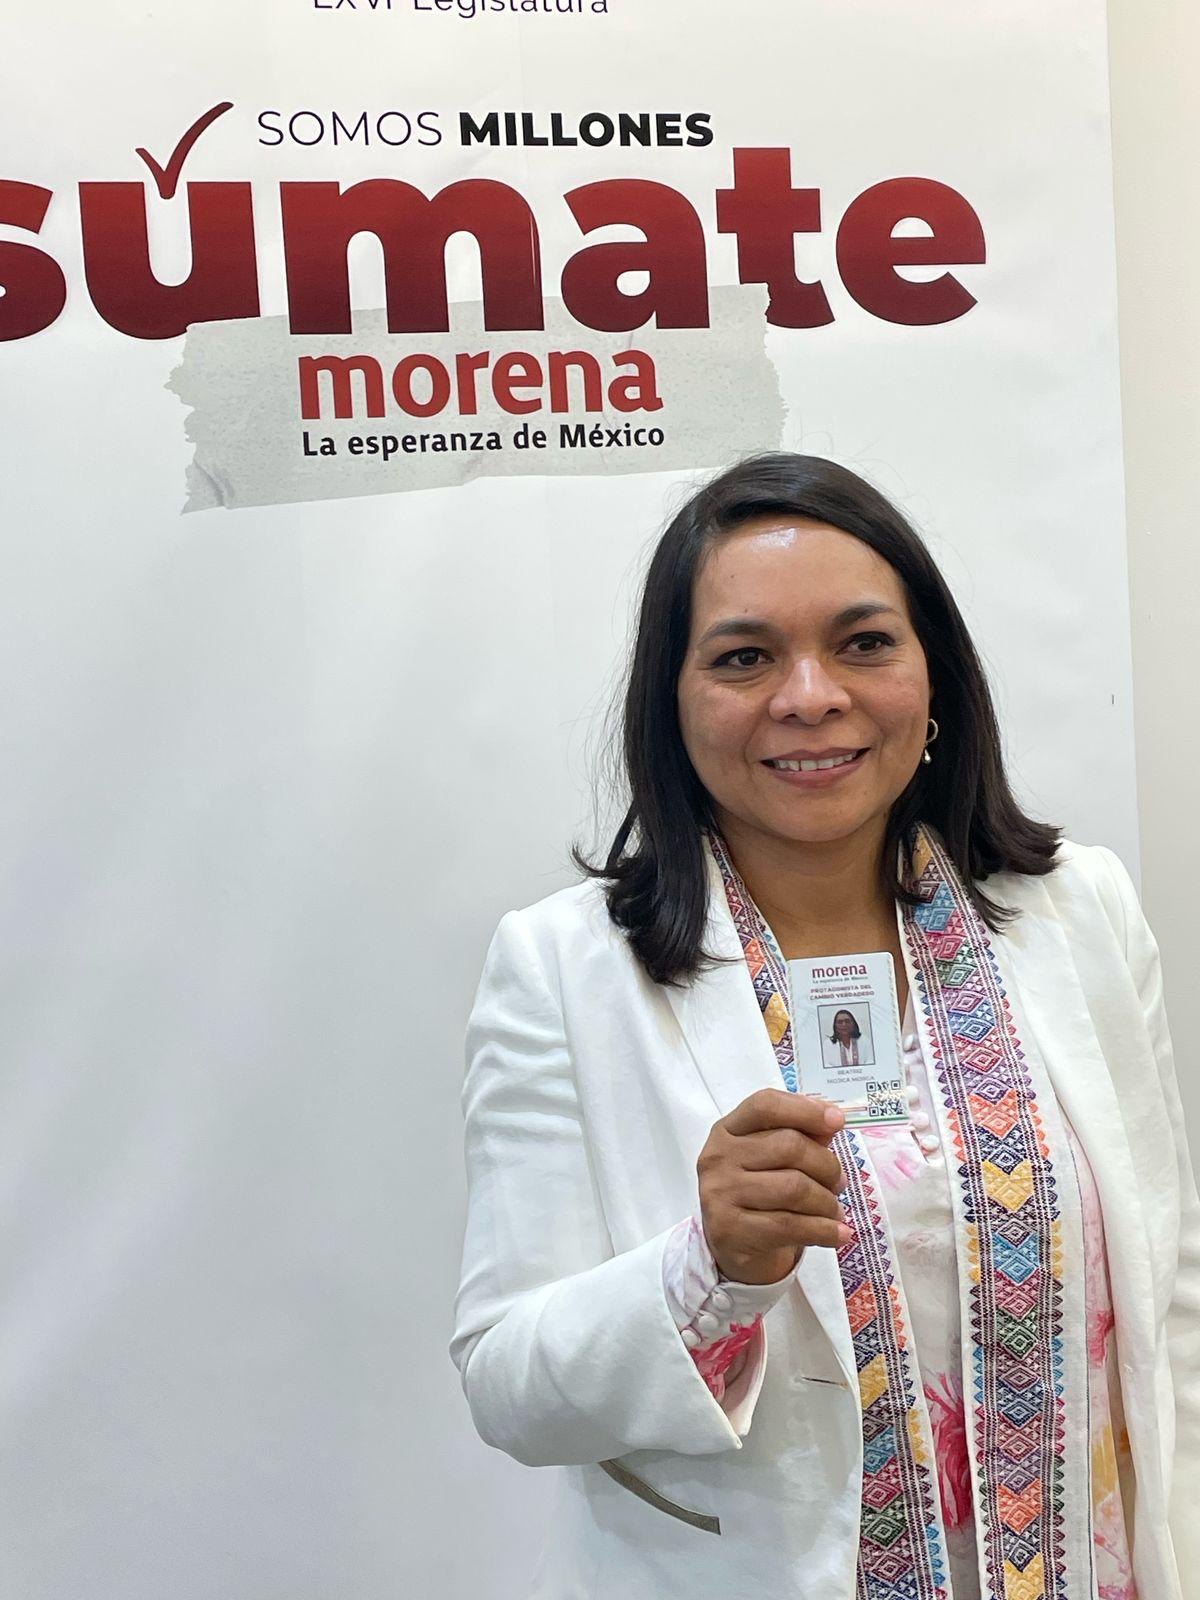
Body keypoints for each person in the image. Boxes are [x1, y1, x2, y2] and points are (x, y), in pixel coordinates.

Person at [449, 453, 1199, 1600]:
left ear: (932, 676)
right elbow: (509, 1383)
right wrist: (707, 1272)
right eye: (744, 657)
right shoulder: (565, 969)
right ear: (673, 704)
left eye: (863, 642)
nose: (810, 695)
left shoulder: (1077, 912)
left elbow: (1166, 1290)